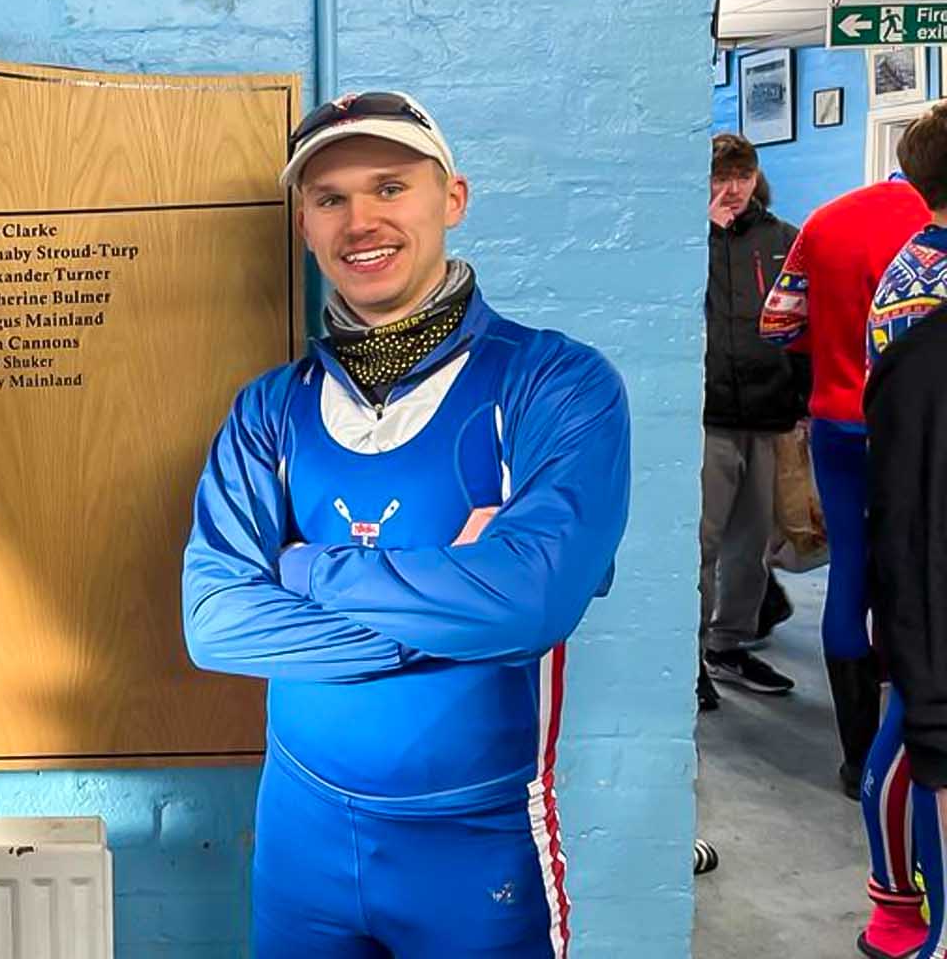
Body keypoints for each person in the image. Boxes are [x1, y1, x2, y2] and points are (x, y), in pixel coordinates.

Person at [182, 91, 630, 957]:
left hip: (476, 842)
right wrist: (454, 611)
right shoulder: (270, 412)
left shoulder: (557, 386)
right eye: (330, 198)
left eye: (391, 186)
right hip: (297, 837)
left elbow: (528, 606)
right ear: (305, 226)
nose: (362, 220)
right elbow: (214, 622)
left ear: (451, 199)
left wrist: (305, 569)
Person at [760, 176, 931, 794]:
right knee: (919, 575)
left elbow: (777, 324)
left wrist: (834, 338)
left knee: (850, 577)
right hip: (916, 427)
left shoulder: (828, 220)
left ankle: (858, 758)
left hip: (839, 419)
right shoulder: (930, 226)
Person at [854, 103, 947, 959]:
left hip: (908, 511)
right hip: (921, 525)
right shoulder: (928, 279)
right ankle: (897, 908)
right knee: (920, 721)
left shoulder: (912, 264)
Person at [698, 133, 807, 707]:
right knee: (703, 541)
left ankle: (729, 643)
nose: (732, 188)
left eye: (741, 175)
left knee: (751, 545)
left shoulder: (785, 240)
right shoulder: (691, 239)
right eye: (721, 176)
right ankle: (690, 656)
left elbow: (803, 323)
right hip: (710, 415)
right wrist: (709, 234)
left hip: (769, 413)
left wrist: (802, 404)